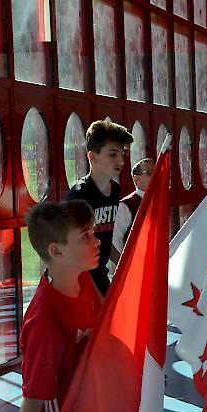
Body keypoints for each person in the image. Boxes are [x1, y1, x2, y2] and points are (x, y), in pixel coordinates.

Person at [16, 200, 104, 412]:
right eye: (86, 236)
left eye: (93, 233)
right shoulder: (45, 322)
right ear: (56, 251)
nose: (97, 241)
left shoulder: (82, 278)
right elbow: (33, 401)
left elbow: (105, 320)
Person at [66, 119, 134, 296]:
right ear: (92, 156)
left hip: (100, 275)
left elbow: (105, 234)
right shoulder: (80, 195)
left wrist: (121, 263)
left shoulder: (115, 190)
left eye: (122, 154)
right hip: (80, 280)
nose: (120, 160)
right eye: (112, 154)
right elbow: (67, 248)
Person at [111, 158, 155, 262]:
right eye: (149, 173)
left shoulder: (160, 201)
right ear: (136, 179)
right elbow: (114, 240)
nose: (155, 176)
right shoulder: (126, 205)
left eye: (156, 171)